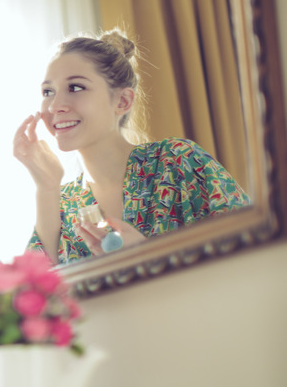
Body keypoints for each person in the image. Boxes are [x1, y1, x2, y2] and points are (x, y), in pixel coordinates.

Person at [13, 29, 249, 265]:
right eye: (48, 92)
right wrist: (46, 188)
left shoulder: (178, 161)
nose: (54, 106)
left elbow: (252, 252)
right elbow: (38, 284)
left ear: (122, 101)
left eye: (75, 87)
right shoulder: (60, 202)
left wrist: (148, 255)